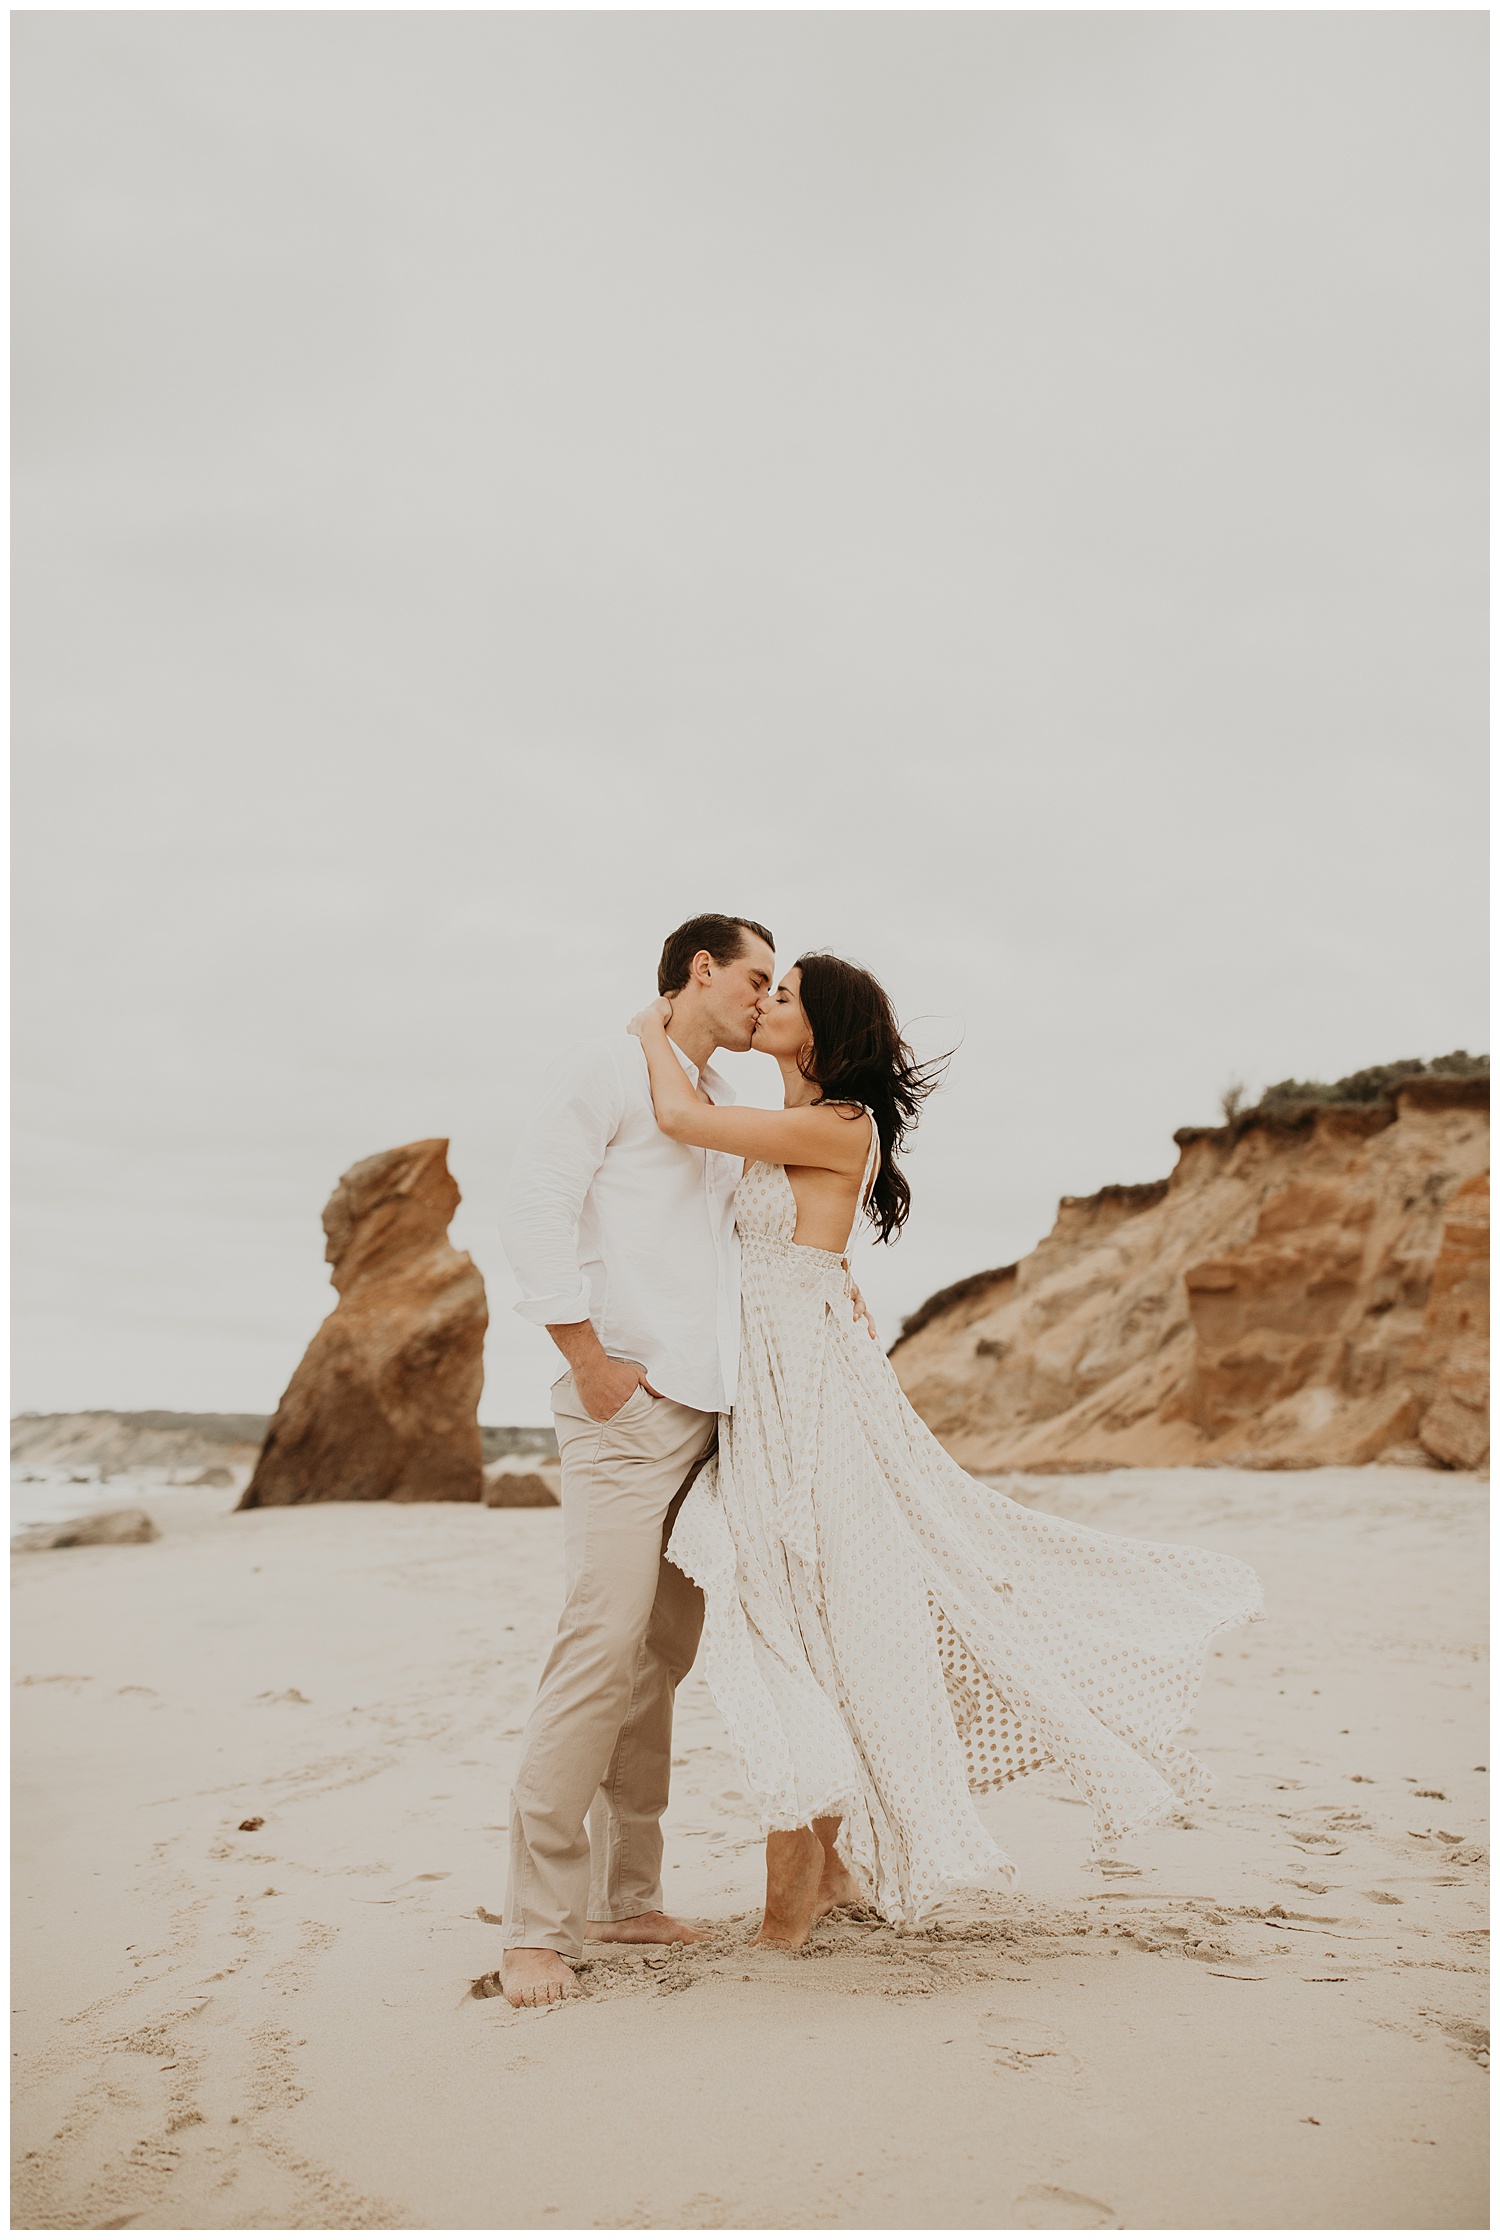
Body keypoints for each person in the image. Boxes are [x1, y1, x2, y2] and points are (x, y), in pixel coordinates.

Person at [629, 953, 1264, 1948]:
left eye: (784, 995)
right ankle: (829, 1867)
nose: (767, 1003)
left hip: (810, 1399)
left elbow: (679, 1119)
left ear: (824, 1031)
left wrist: (648, 1030)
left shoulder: (838, 1123)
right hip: (780, 1381)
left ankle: (789, 1899)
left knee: (794, 1618)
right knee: (799, 1616)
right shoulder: (799, 1128)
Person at [494, 911, 776, 2007]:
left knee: (661, 1655)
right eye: (754, 978)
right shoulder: (609, 1066)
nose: (764, 997)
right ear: (698, 970)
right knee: (597, 1646)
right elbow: (532, 1209)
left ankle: (628, 1894)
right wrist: (588, 1354)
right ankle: (533, 1924)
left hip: (711, 1417)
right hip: (626, 1405)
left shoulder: (714, 1103)